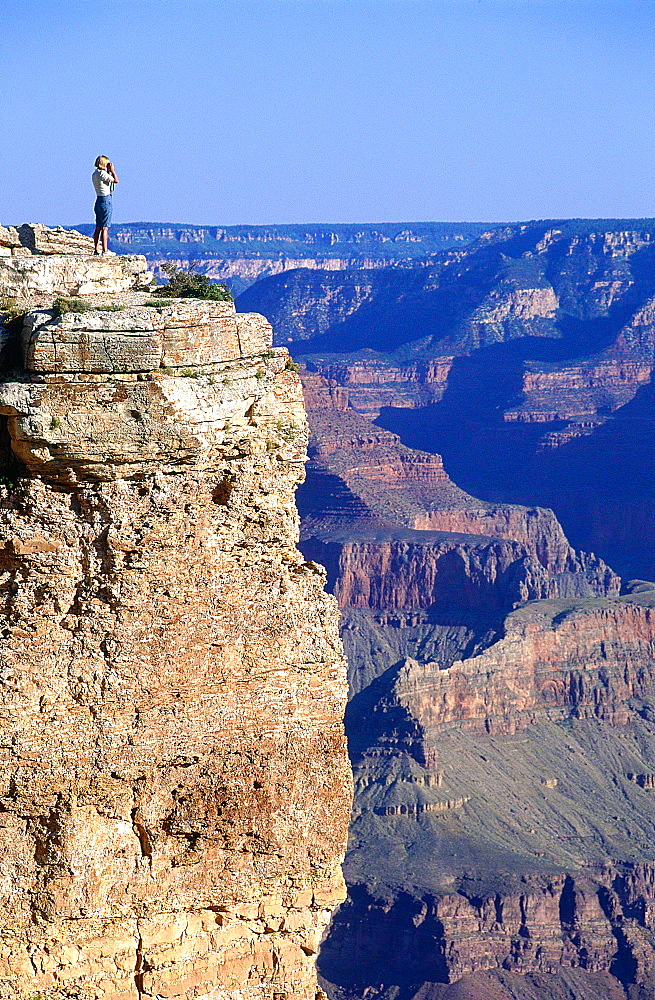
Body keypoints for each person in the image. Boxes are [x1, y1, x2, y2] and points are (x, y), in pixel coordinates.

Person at [92, 155, 119, 255]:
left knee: (98, 227)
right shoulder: (103, 174)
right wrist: (112, 171)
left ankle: (96, 249)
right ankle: (105, 250)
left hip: (98, 199)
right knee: (105, 227)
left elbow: (105, 181)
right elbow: (116, 180)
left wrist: (108, 172)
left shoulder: (95, 174)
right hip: (105, 200)